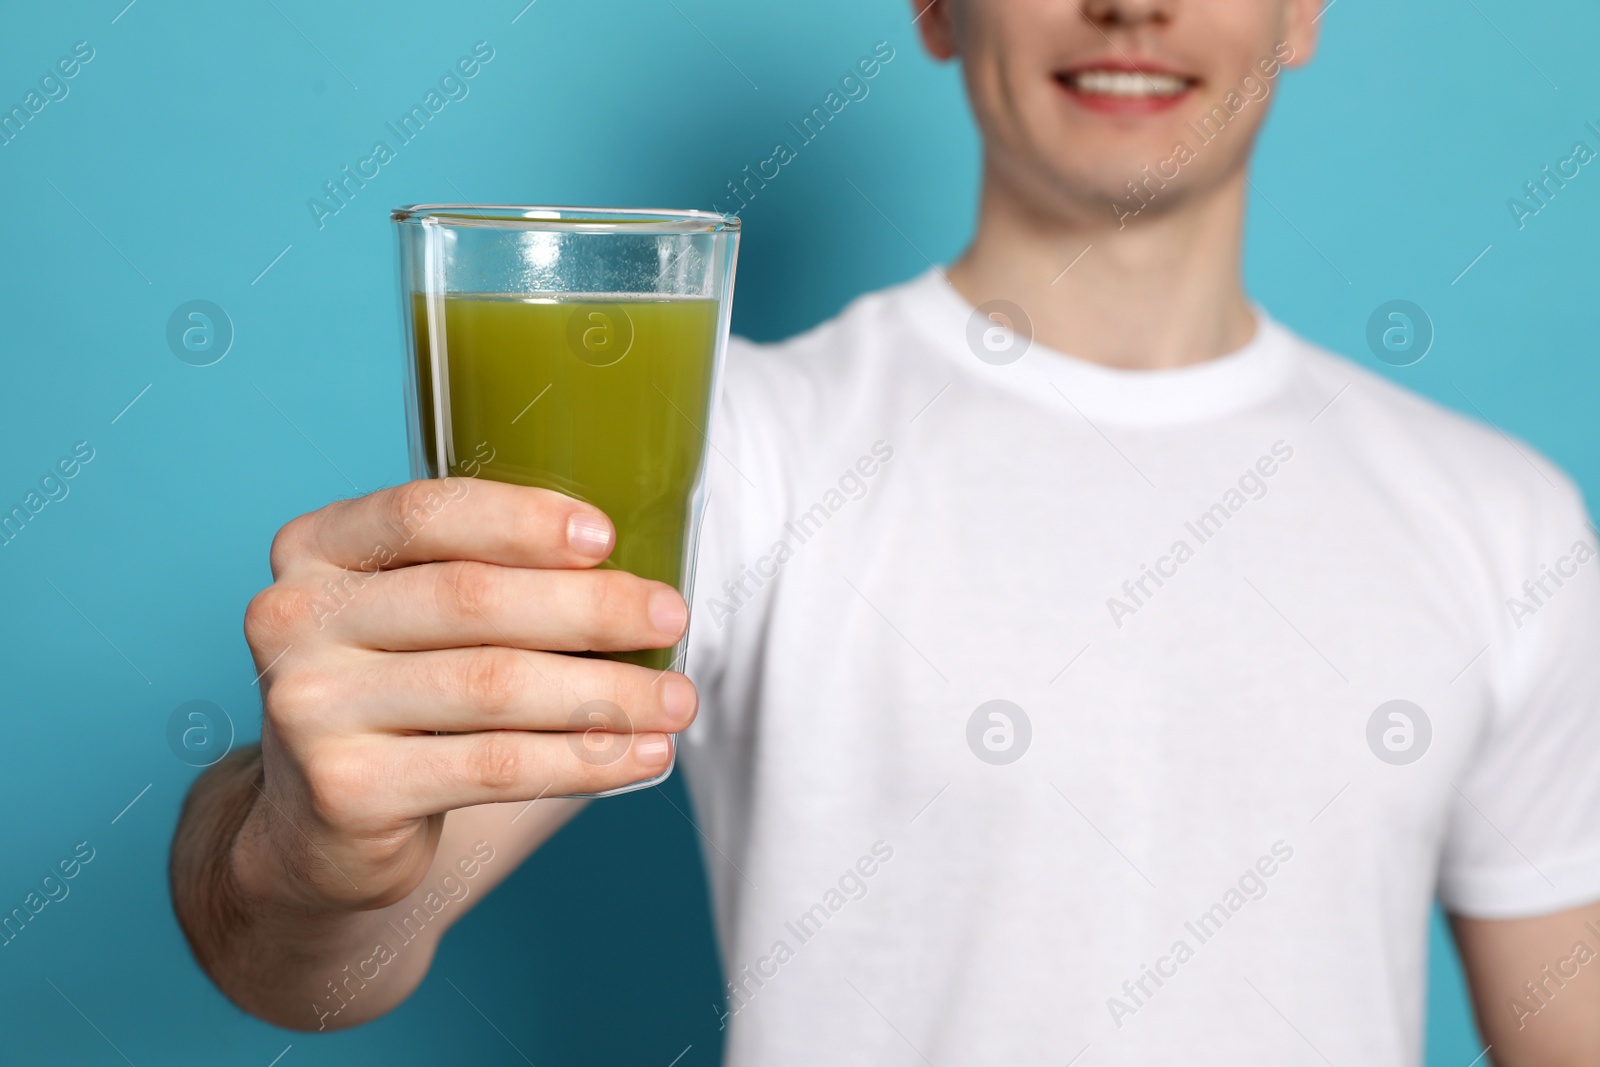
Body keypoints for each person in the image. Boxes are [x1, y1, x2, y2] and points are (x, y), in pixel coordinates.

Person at [170, 0, 1600, 1062]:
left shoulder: (1500, 519)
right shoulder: (733, 454)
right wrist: (298, 852)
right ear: (934, 7)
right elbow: (315, 969)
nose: (1131, 9)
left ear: (1301, 11)